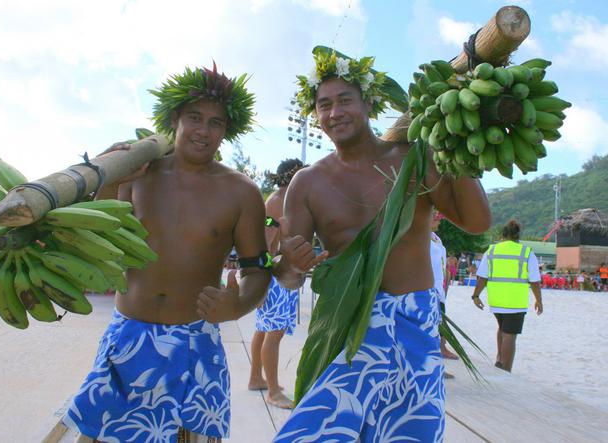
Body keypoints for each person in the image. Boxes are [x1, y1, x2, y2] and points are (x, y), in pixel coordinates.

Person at [271, 51, 491, 442]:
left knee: (410, 434)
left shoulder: (416, 158)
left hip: (414, 321)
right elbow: (289, 276)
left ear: (369, 104)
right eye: (324, 105)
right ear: (315, 115)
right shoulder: (307, 183)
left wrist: (454, 146)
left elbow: (476, 222)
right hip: (346, 324)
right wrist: (290, 263)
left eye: (345, 100)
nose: (335, 112)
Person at [63, 64, 271, 443]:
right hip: (127, 336)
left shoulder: (241, 191)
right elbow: (96, 232)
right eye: (195, 118)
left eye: (216, 123)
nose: (204, 131)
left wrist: (237, 305)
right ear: (175, 119)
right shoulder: (138, 174)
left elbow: (259, 269)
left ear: (227, 131)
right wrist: (111, 176)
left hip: (194, 344)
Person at [248, 158, 305, 409]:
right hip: (275, 276)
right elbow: (266, 242)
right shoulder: (277, 202)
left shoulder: (279, 199)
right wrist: (265, 278)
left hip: (275, 274)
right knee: (275, 331)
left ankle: (256, 378)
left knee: (264, 329)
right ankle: (273, 391)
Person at [471, 220, 543, 373]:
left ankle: (499, 358)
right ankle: (505, 369)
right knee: (510, 335)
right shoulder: (526, 252)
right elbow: (535, 281)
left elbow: (482, 277)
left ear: (502, 234)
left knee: (502, 328)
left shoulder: (491, 251)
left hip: (496, 299)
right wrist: (538, 300)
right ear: (518, 235)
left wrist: (476, 295)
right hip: (515, 301)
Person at [431, 211, 458, 363]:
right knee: (433, 326)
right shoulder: (423, 239)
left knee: (440, 321)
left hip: (438, 288)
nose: (439, 221)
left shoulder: (437, 240)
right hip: (429, 288)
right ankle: (438, 354)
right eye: (436, 218)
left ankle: (442, 348)